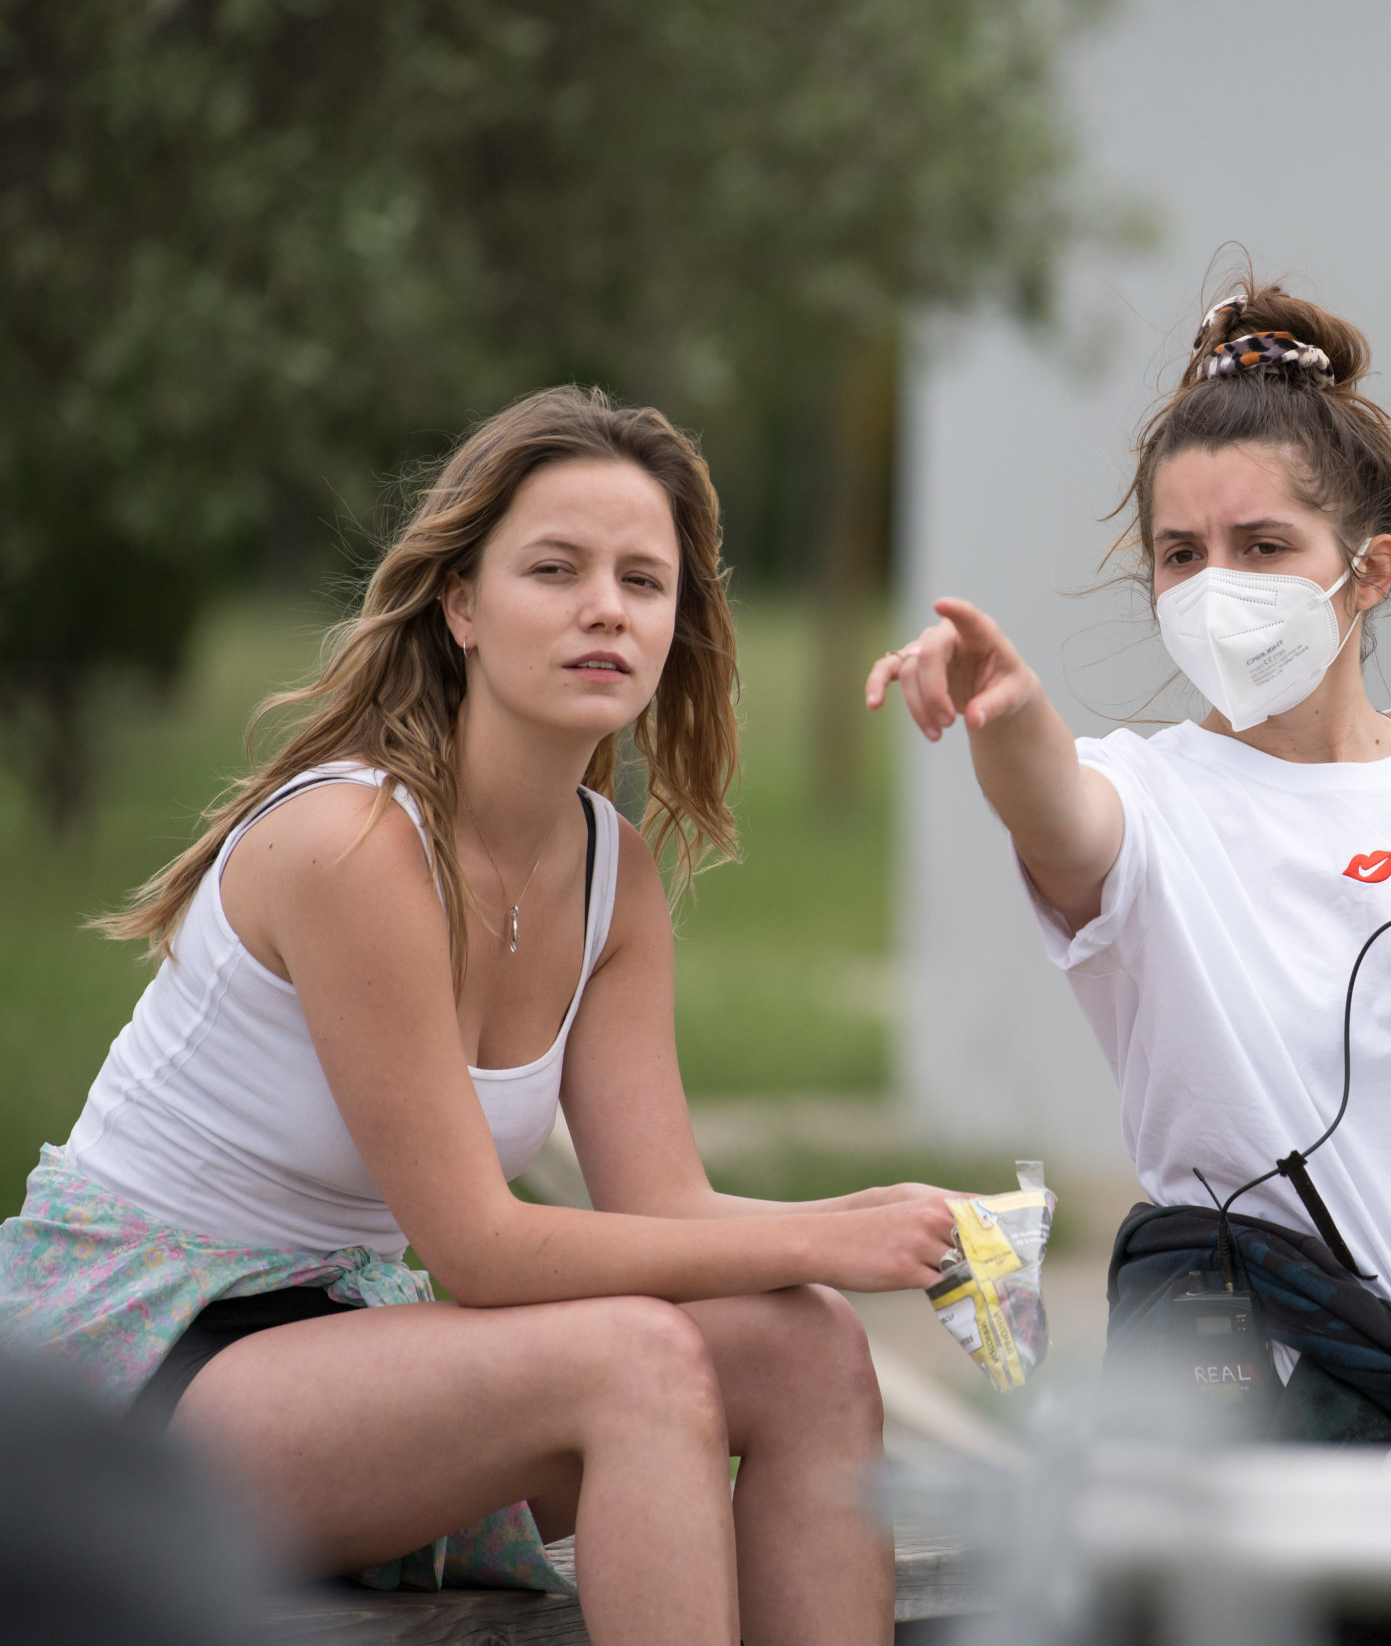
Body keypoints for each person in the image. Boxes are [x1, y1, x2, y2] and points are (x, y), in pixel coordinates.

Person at [0, 387, 963, 1646]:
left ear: (680, 623)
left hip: (352, 1347)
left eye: (643, 579)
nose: (605, 607)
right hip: (137, 1364)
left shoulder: (609, 875)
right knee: (633, 1362)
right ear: (461, 604)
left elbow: (661, 1205)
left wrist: (857, 1229)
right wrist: (823, 1234)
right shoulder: (355, 842)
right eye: (554, 569)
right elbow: (481, 1250)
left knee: (809, 1349)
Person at [870, 276, 1391, 1438]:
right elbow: (1058, 816)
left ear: (1371, 571)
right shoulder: (1147, 797)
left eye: (1263, 546)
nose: (1216, 589)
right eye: (1181, 554)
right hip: (1279, 1443)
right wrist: (1010, 706)